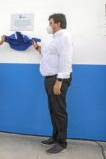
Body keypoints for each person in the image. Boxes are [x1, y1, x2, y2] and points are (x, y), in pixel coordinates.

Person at [33, 13, 73, 154]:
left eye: (50, 23)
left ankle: (62, 142)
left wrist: (59, 80)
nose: (49, 25)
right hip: (50, 79)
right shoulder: (54, 38)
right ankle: (55, 137)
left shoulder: (64, 36)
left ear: (58, 24)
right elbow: (48, 55)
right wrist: (38, 48)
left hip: (58, 79)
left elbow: (66, 59)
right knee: (53, 110)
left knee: (59, 111)